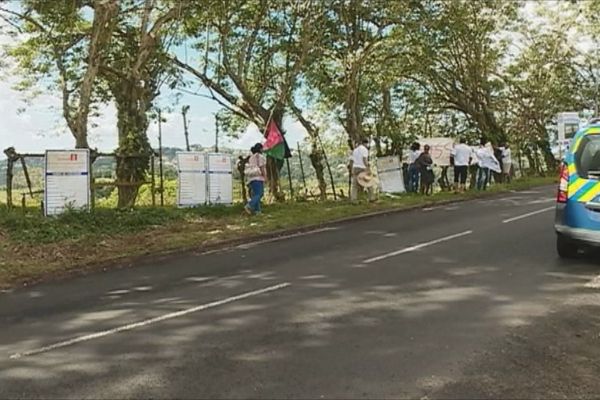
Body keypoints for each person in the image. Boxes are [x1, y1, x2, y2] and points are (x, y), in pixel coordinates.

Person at [244, 143, 267, 215]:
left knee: (256, 194)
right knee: (260, 194)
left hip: (251, 178)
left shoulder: (251, 157)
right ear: (260, 149)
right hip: (258, 178)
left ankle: (258, 211)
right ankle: (249, 205)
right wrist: (265, 176)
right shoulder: (260, 157)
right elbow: (262, 168)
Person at [350, 138, 375, 202]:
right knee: (369, 183)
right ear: (365, 143)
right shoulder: (364, 150)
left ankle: (353, 199)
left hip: (355, 168)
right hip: (362, 167)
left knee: (354, 185)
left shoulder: (355, 150)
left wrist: (352, 169)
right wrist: (368, 168)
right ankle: (371, 198)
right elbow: (364, 159)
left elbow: (351, 160)